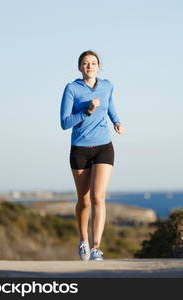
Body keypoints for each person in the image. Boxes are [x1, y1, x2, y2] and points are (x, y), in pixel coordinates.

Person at [60, 50, 125, 261]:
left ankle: (96, 247)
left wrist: (116, 120)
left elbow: (110, 105)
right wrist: (86, 111)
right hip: (80, 148)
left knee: (98, 196)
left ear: (98, 66)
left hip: (103, 146)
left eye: (93, 63)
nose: (89, 66)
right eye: (85, 63)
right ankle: (83, 240)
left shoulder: (106, 86)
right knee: (84, 200)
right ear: (80, 67)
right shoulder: (72, 89)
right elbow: (64, 123)